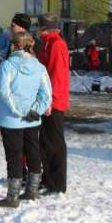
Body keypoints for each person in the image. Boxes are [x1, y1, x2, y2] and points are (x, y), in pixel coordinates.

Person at [0, 31, 52, 208]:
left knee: (14, 156)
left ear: (14, 45)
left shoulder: (7, 66)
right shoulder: (39, 67)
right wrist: (33, 112)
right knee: (33, 152)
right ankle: (32, 190)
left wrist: (18, 111)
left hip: (11, 119)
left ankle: (12, 197)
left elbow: (4, 92)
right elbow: (47, 95)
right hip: (31, 119)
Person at [37, 14, 70, 195]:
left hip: (54, 101)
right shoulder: (48, 43)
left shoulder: (57, 44)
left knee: (54, 143)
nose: (37, 30)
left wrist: (49, 100)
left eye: (39, 27)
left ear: (45, 28)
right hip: (48, 99)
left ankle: (57, 184)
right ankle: (48, 178)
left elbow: (56, 75)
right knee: (45, 142)